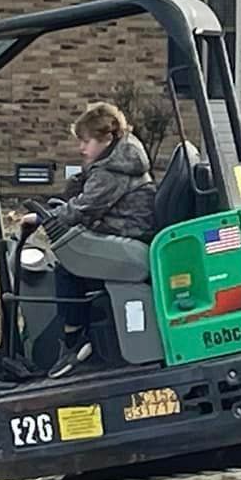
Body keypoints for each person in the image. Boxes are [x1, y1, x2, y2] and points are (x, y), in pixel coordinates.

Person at [26, 101, 155, 377]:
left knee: (68, 269)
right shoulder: (115, 162)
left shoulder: (112, 171)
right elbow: (83, 200)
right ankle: (84, 336)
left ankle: (74, 341)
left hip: (127, 234)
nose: (81, 148)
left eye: (86, 141)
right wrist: (58, 208)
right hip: (125, 231)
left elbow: (85, 208)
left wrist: (42, 218)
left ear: (106, 138)